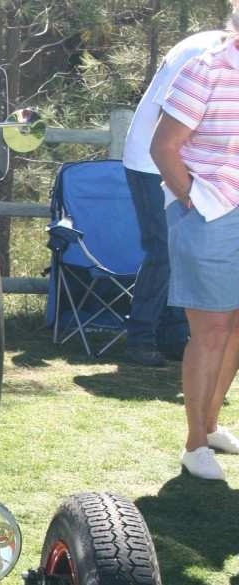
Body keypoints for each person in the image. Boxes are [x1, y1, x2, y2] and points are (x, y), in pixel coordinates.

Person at [151, 27, 239, 480]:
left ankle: (210, 425)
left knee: (236, 328)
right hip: (210, 210)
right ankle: (194, 445)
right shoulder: (206, 69)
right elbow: (163, 147)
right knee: (211, 329)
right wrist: (193, 199)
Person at [122, 28, 230, 366]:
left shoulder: (215, 47)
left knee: (183, 252)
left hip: (182, 165)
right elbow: (169, 118)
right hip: (152, 162)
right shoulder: (206, 54)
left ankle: (172, 337)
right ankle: (140, 337)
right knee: (163, 251)